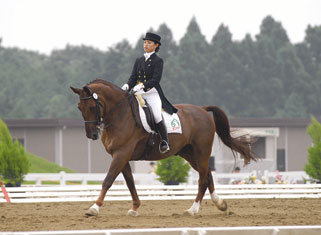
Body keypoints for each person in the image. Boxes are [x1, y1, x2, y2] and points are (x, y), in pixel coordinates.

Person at [121, 32, 177, 154]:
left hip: (152, 93)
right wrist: (127, 85)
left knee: (156, 115)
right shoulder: (139, 60)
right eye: (145, 42)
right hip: (138, 93)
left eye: (149, 43)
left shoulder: (158, 61)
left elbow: (156, 79)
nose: (146, 45)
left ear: (156, 45)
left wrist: (142, 86)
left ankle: (164, 142)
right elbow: (133, 77)